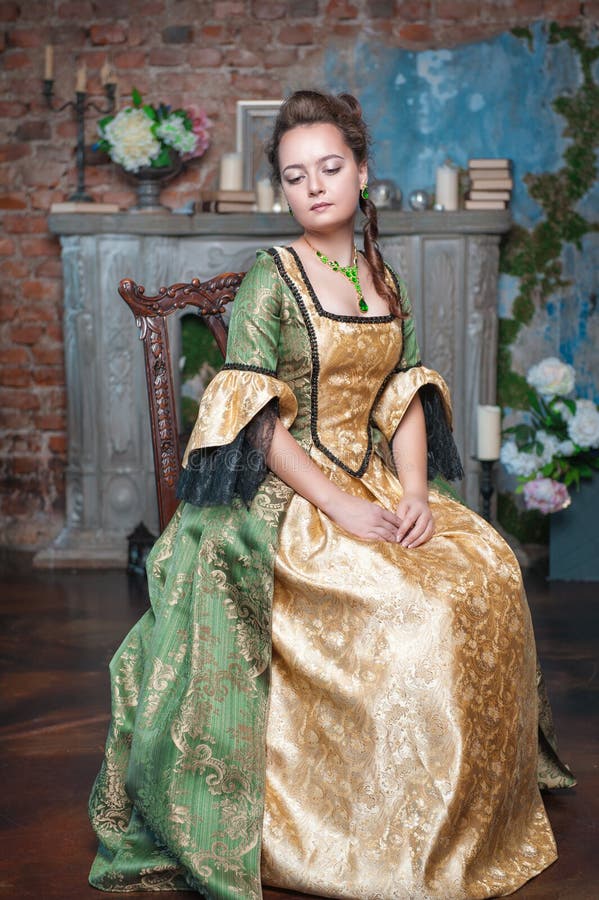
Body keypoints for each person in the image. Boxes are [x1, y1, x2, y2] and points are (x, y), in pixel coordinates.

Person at [89, 90, 574, 899]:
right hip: (292, 488)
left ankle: (467, 806)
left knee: (484, 567)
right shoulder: (271, 279)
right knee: (411, 609)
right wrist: (340, 507)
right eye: (294, 175)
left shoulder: (381, 274)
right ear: (281, 190)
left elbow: (404, 394)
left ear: (360, 173)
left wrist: (414, 491)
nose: (313, 186)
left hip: (372, 474)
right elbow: (253, 415)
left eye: (329, 167)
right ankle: (363, 827)